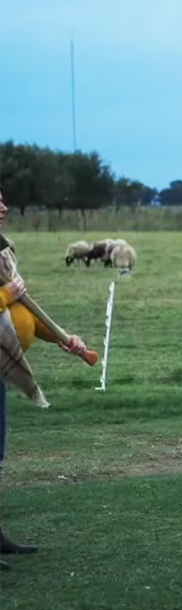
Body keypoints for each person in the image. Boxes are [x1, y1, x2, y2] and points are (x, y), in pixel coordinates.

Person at [0, 188, 89, 571]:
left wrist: (63, 339)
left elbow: (27, 313)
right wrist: (5, 294)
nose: (4, 207)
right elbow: (9, 300)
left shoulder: (3, 254)